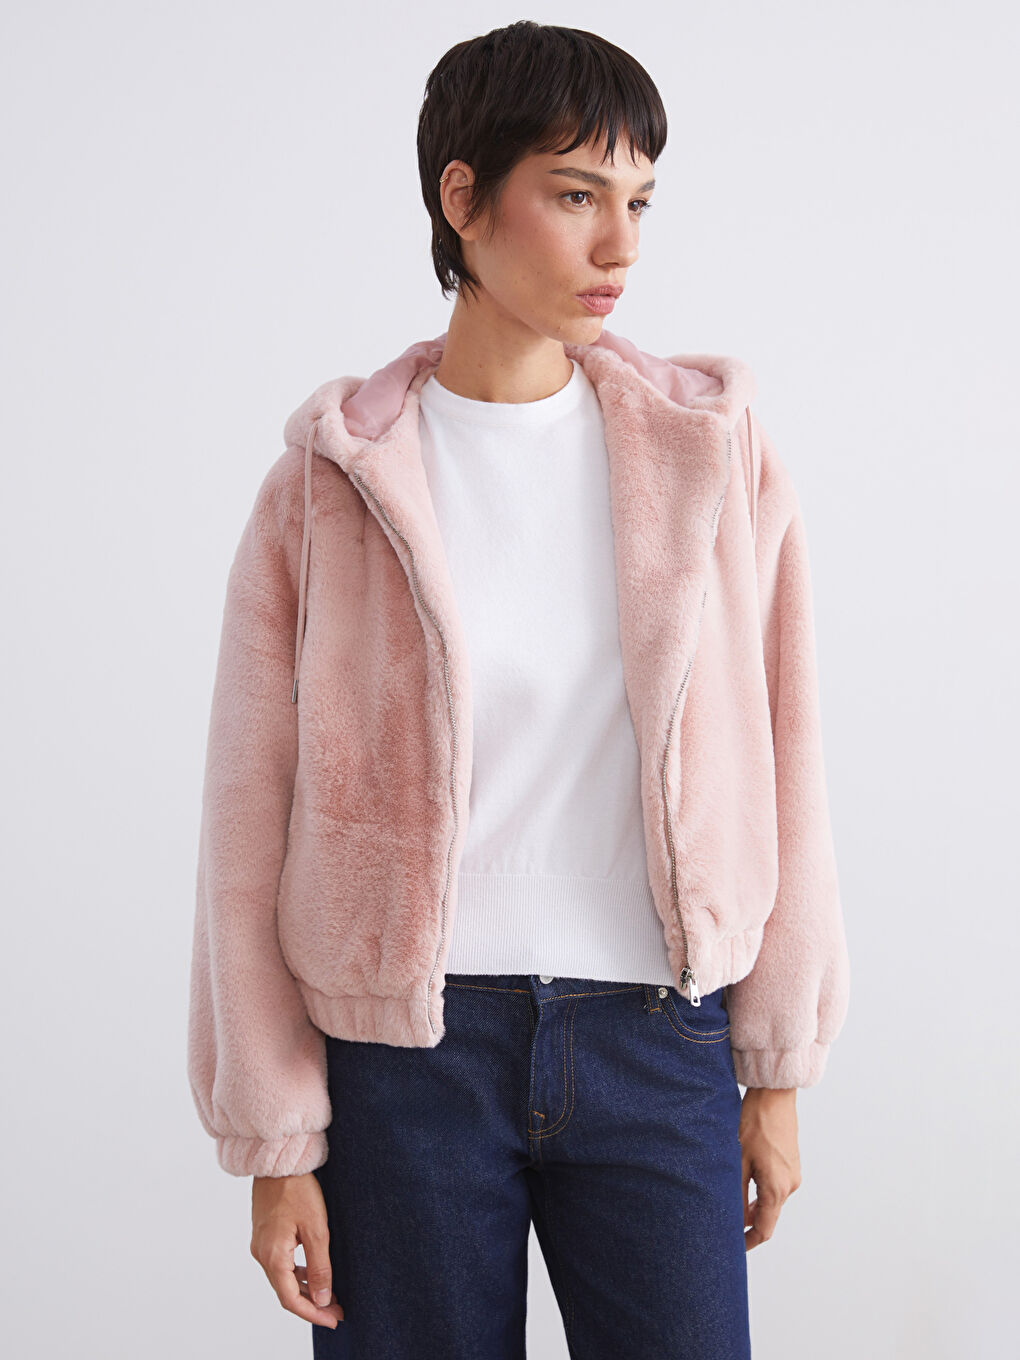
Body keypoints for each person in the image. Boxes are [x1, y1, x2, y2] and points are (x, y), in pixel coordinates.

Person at [187, 20, 850, 1359]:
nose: (622, 246)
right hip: (406, 1061)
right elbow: (247, 818)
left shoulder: (714, 460)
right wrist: (277, 1139)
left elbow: (788, 753)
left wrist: (775, 1070)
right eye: (577, 195)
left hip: (659, 1041)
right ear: (463, 196)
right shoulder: (330, 487)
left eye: (640, 202)